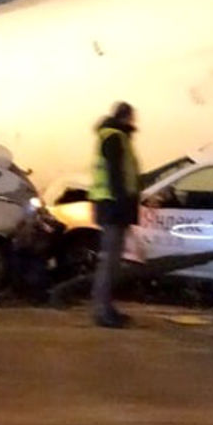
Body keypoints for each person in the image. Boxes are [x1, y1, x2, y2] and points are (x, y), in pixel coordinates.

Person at [88, 101, 140, 328]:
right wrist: (123, 204)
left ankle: (107, 308)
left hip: (112, 206)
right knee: (109, 261)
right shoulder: (115, 138)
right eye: (131, 118)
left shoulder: (116, 136)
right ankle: (102, 311)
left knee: (112, 261)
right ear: (125, 117)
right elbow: (116, 176)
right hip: (113, 207)